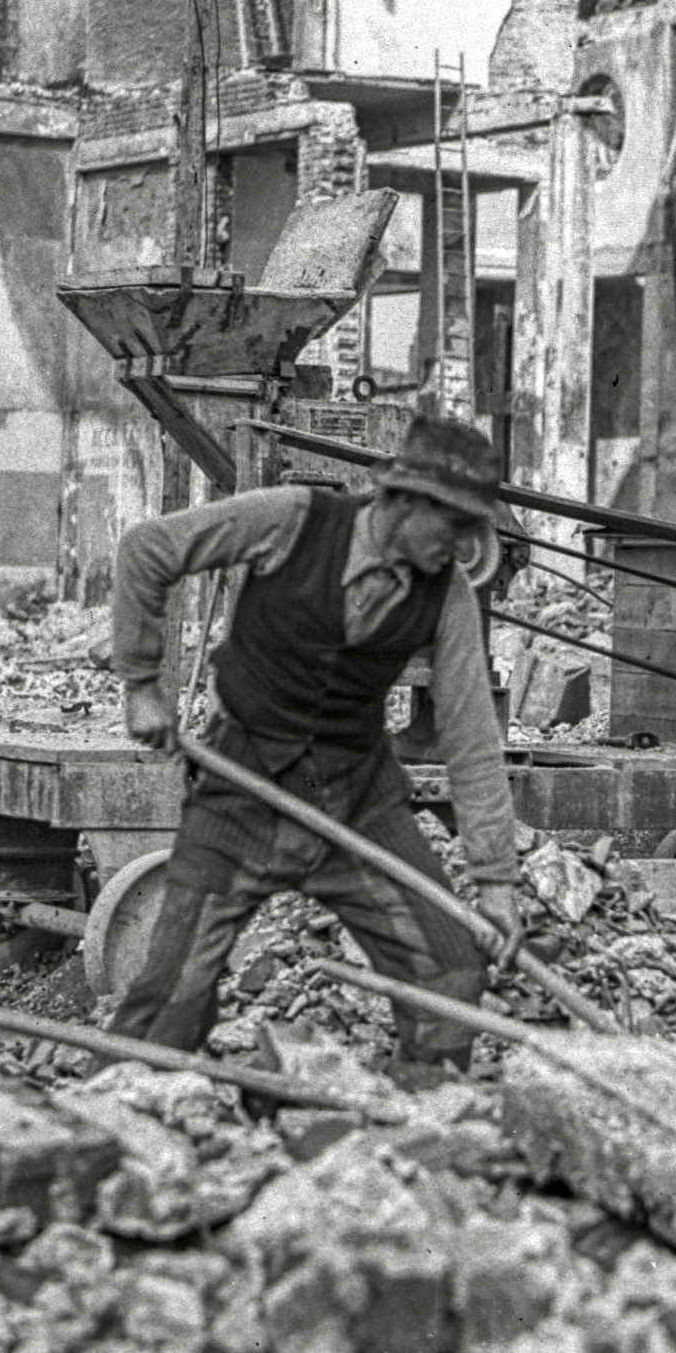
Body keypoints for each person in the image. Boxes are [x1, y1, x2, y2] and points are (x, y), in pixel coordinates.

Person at [109, 409, 523, 1076]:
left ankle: (424, 1135)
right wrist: (141, 683)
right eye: (456, 524)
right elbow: (148, 550)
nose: (466, 544)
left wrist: (496, 881)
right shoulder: (291, 520)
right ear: (408, 502)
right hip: (239, 793)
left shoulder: (447, 594)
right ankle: (120, 1135)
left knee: (449, 972)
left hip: (359, 802)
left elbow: (471, 738)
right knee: (169, 1001)